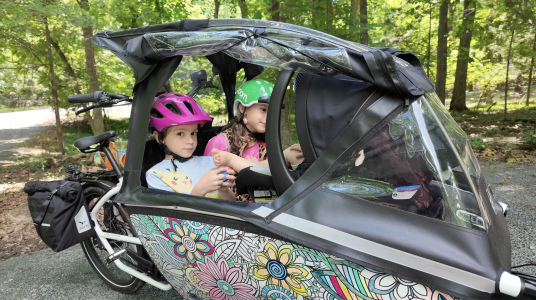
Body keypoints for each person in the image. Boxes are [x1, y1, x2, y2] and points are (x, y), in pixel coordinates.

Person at [204, 79, 304, 201]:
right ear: (242, 108)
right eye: (263, 109)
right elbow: (209, 191)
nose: (269, 117)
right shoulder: (221, 142)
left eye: (272, 111)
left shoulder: (266, 143)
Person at [146, 93, 236, 200]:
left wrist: (224, 191)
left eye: (193, 133)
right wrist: (200, 190)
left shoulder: (210, 162)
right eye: (180, 134)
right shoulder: (156, 175)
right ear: (160, 138)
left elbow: (233, 204)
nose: (190, 141)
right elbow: (173, 214)